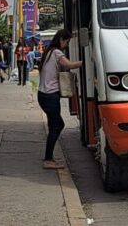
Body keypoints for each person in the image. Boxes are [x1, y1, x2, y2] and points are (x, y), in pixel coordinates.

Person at [38, 30, 82, 169]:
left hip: (43, 95)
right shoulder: (57, 53)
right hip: (50, 95)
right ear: (62, 39)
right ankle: (48, 159)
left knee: (56, 125)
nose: (66, 45)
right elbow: (69, 65)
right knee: (56, 126)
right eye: (67, 42)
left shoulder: (48, 51)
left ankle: (49, 156)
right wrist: (87, 60)